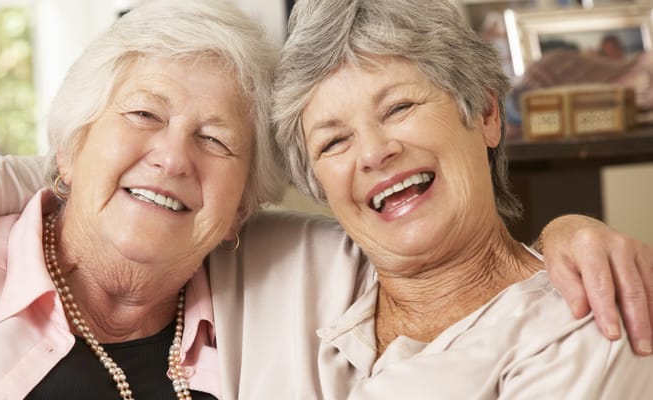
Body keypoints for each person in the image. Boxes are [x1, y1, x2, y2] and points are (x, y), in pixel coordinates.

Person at [0, 0, 653, 398]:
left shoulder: (290, 270)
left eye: (217, 141)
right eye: (333, 141)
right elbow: (105, 180)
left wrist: (569, 236)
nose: (173, 157)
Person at [0, 0, 282, 398]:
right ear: (70, 148)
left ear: (241, 208)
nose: (173, 159)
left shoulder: (266, 337)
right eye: (144, 114)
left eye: (214, 139)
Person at [270, 0, 653, 396]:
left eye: (399, 108)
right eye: (334, 141)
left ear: (486, 113)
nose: (372, 153)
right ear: (317, 182)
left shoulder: (580, 329)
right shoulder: (289, 283)